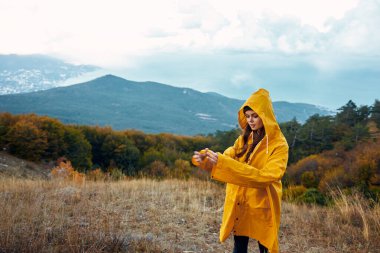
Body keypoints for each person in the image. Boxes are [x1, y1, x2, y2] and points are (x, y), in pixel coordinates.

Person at [192, 89, 289, 253]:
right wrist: (206, 160)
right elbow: (226, 157)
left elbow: (266, 177)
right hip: (241, 202)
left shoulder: (279, 145)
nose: (250, 120)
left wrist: (223, 161)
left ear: (265, 115)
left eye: (255, 116)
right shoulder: (244, 139)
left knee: (265, 246)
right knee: (239, 247)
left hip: (262, 204)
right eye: (248, 116)